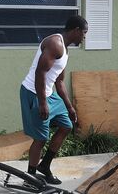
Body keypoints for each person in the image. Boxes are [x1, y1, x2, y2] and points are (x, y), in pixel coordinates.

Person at [20, 15, 88, 184]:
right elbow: (40, 73)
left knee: (66, 126)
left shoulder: (66, 49)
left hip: (49, 94)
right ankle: (30, 176)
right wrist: (42, 102)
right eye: (84, 33)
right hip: (34, 93)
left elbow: (59, 81)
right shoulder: (54, 44)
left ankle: (45, 165)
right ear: (76, 31)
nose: (84, 38)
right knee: (41, 138)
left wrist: (69, 107)